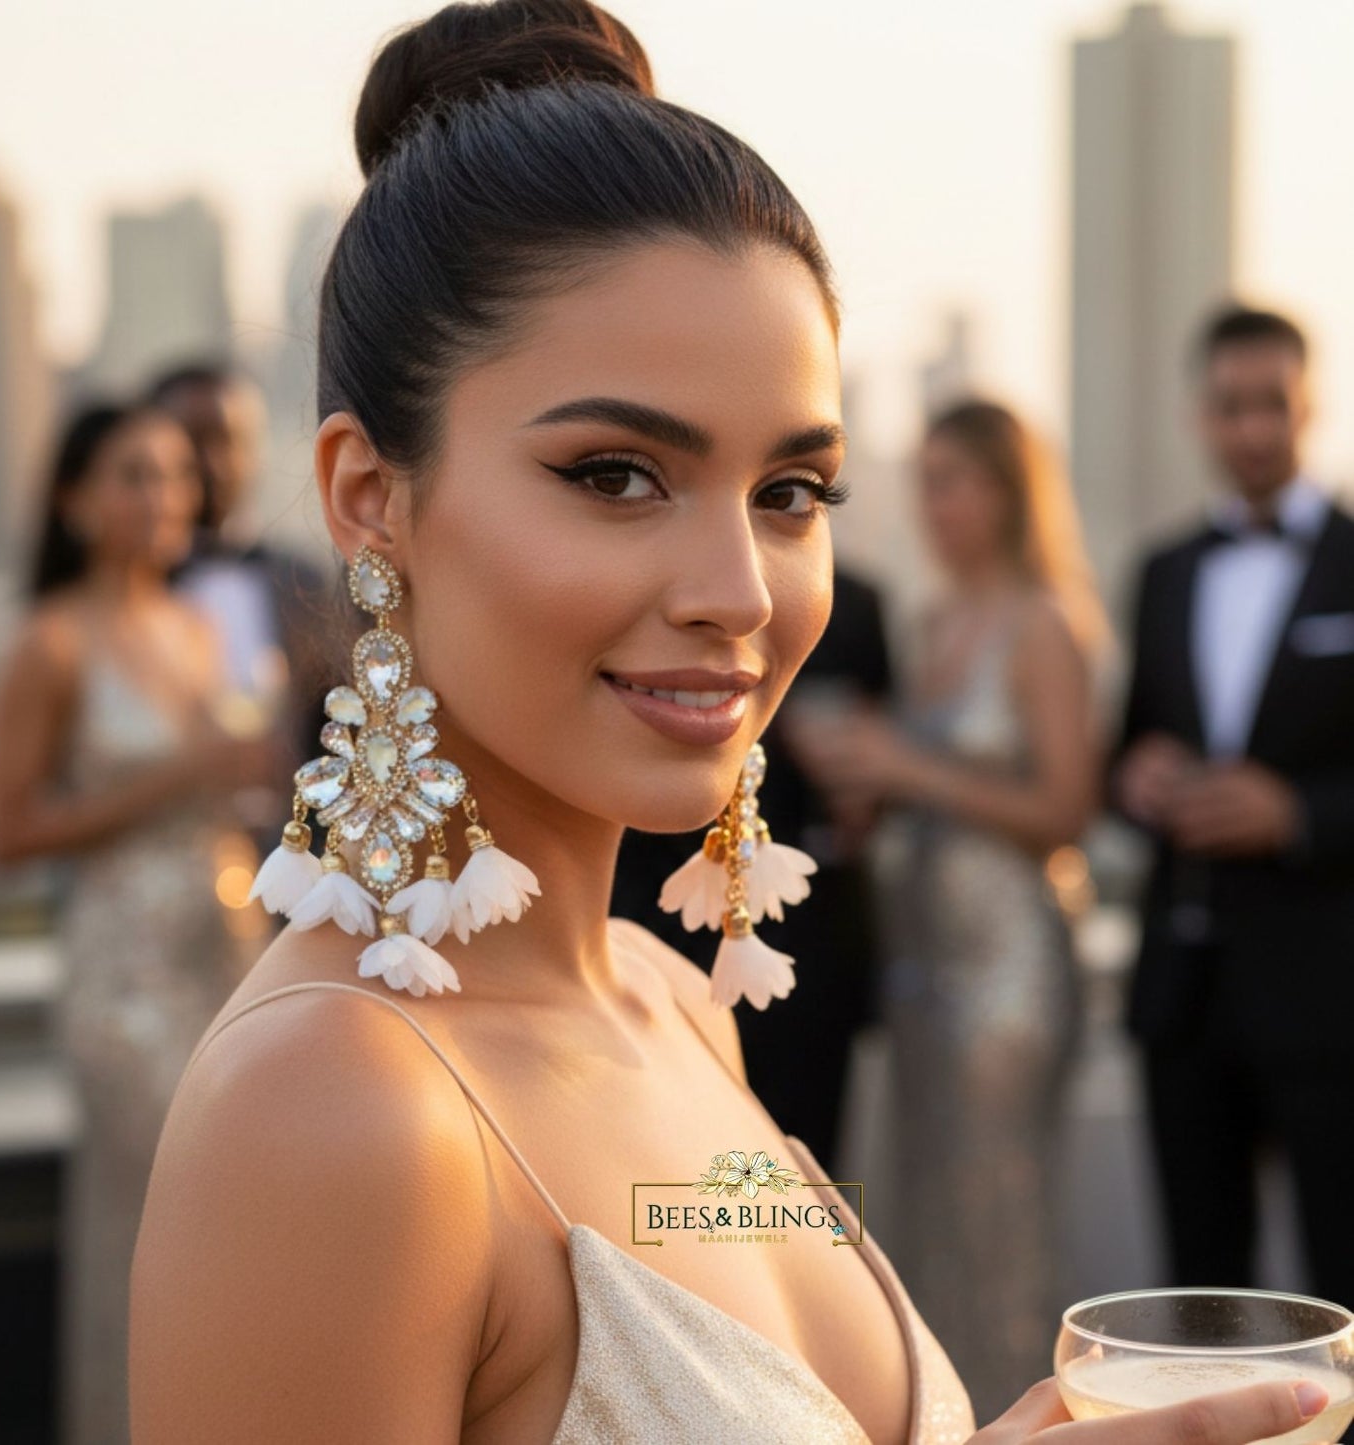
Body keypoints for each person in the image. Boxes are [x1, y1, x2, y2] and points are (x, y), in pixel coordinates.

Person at [129, 6, 1335, 1442]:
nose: (739, 593)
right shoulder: (332, 1112)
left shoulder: (672, 1001)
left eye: (792, 492)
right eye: (618, 474)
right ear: (371, 498)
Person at [784, 399, 1104, 1421]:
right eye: (922, 478)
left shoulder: (1041, 622)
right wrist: (865, 789)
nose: (933, 503)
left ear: (1009, 493)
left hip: (1005, 968)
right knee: (923, 1217)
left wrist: (900, 763)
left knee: (995, 1219)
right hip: (918, 965)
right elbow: (918, 789)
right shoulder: (931, 622)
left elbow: (1062, 808)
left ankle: (1028, 1415)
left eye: (953, 478)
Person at [0, 400, 277, 1445]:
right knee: (164, 1219)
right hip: (124, 977)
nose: (164, 497)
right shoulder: (51, 641)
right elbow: (7, 832)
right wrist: (173, 776)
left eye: (177, 475)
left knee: (250, 1214)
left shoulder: (210, 623)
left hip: (234, 946)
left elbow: (242, 775)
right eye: (135, 475)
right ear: (75, 497)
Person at [1112, 304, 1354, 1318]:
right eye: (1228, 406)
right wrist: (1135, 779)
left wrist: (1292, 813)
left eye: (1271, 405)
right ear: (1197, 415)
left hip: (1330, 995)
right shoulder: (1161, 572)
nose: (1250, 428)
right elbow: (1119, 749)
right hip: (1182, 991)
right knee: (1196, 1292)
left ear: (1309, 407)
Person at [611, 566, 895, 1167]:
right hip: (642, 911)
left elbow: (879, 763)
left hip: (803, 944)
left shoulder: (855, 601)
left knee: (793, 1183)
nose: (742, 605)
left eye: (792, 496)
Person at [147, 360, 332, 856]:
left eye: (228, 440)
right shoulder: (120, 595)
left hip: (294, 872)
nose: (213, 463)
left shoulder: (308, 583)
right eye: (192, 443)